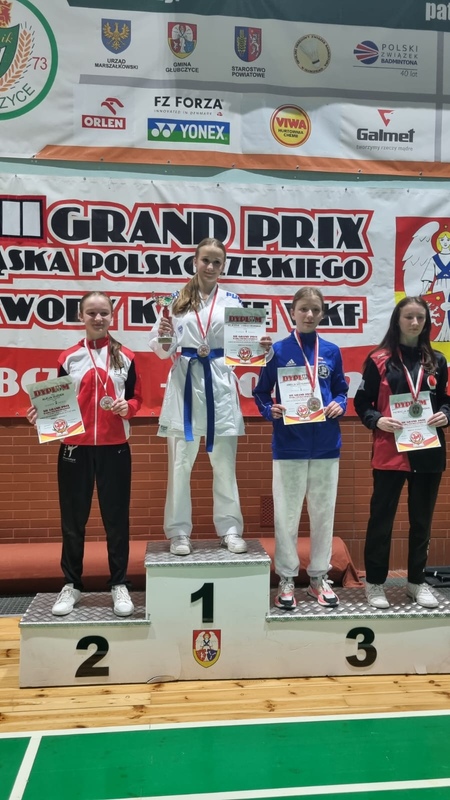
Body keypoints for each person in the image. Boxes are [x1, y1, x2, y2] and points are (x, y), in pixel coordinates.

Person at [27, 291, 142, 617]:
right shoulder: (68, 358)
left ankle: (118, 583)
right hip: (74, 448)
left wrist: (128, 407)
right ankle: (72, 584)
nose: (98, 318)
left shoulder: (127, 356)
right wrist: (41, 414)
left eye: (103, 312)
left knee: (116, 520)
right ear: (81, 316)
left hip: (115, 448)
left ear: (112, 316)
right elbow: (57, 401)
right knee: (73, 521)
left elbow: (137, 398)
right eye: (91, 313)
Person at [151, 238, 255, 556]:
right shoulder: (175, 301)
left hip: (220, 384)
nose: (210, 266)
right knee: (180, 464)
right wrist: (165, 336)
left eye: (216, 262)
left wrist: (259, 347)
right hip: (185, 383)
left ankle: (230, 529)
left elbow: (244, 350)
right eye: (205, 260)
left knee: (224, 464)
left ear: (223, 266)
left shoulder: (233, 301)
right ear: (194, 262)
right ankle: (179, 532)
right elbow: (161, 350)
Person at [253, 287, 348, 609]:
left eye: (316, 310)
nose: (309, 315)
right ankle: (287, 578)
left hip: (326, 445)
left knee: (323, 513)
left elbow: (341, 389)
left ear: (322, 314)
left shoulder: (332, 351)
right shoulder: (277, 351)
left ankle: (319, 577)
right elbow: (261, 392)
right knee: (286, 515)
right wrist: (269, 410)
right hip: (289, 444)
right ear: (291, 312)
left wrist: (339, 403)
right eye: (304, 309)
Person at [354, 296, 450, 609]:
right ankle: (375, 583)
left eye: (420, 317)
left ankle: (416, 583)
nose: (414, 323)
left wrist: (446, 414)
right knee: (381, 521)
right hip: (390, 452)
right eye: (408, 317)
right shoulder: (379, 359)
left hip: (428, 452)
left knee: (422, 522)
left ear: (427, 322)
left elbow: (446, 400)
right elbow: (362, 402)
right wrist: (376, 419)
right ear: (397, 320)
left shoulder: (437, 360)